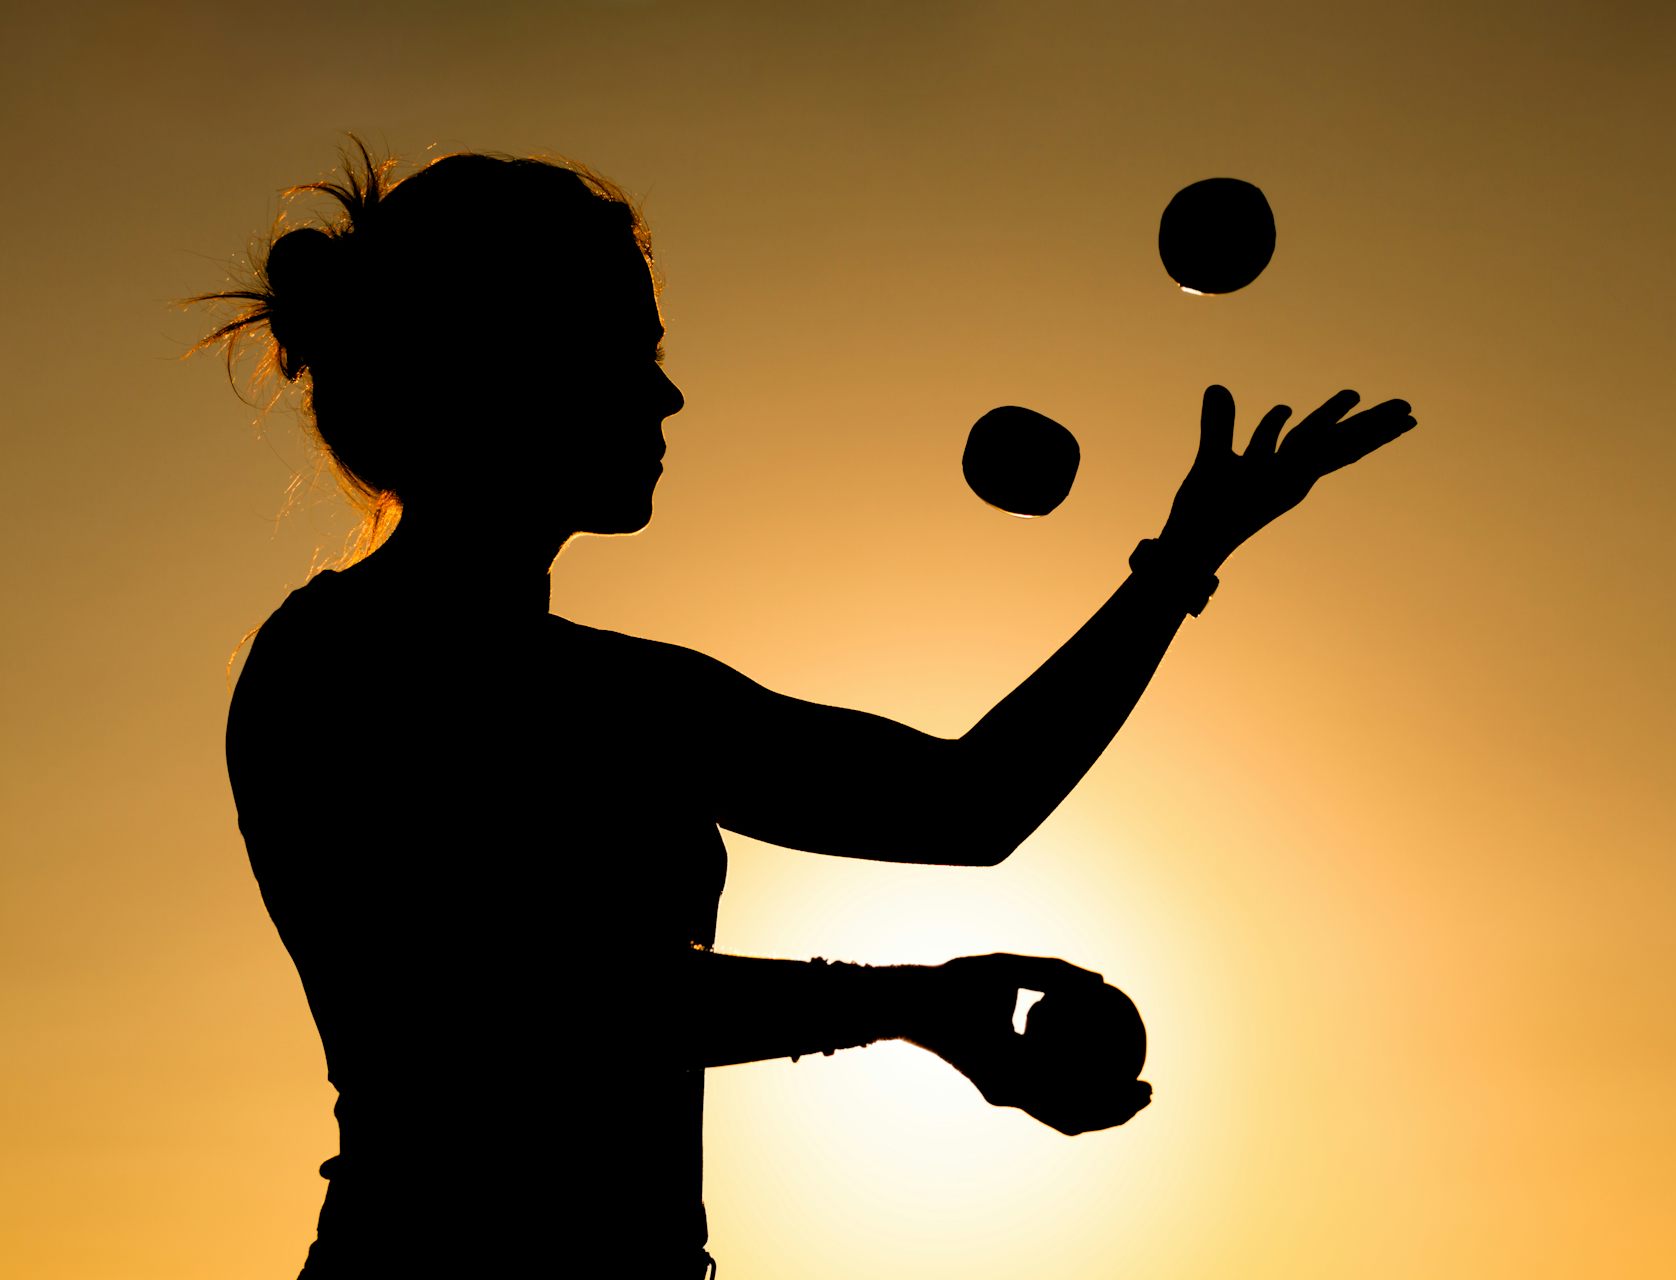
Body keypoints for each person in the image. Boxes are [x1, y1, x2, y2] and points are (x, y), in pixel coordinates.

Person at [203, 143, 1416, 1279]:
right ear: (511, 365)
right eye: (630, 348)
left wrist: (1179, 565)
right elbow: (541, 1010)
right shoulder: (342, 671)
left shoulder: (619, 690)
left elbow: (968, 802)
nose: (669, 395)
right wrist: (908, 999)